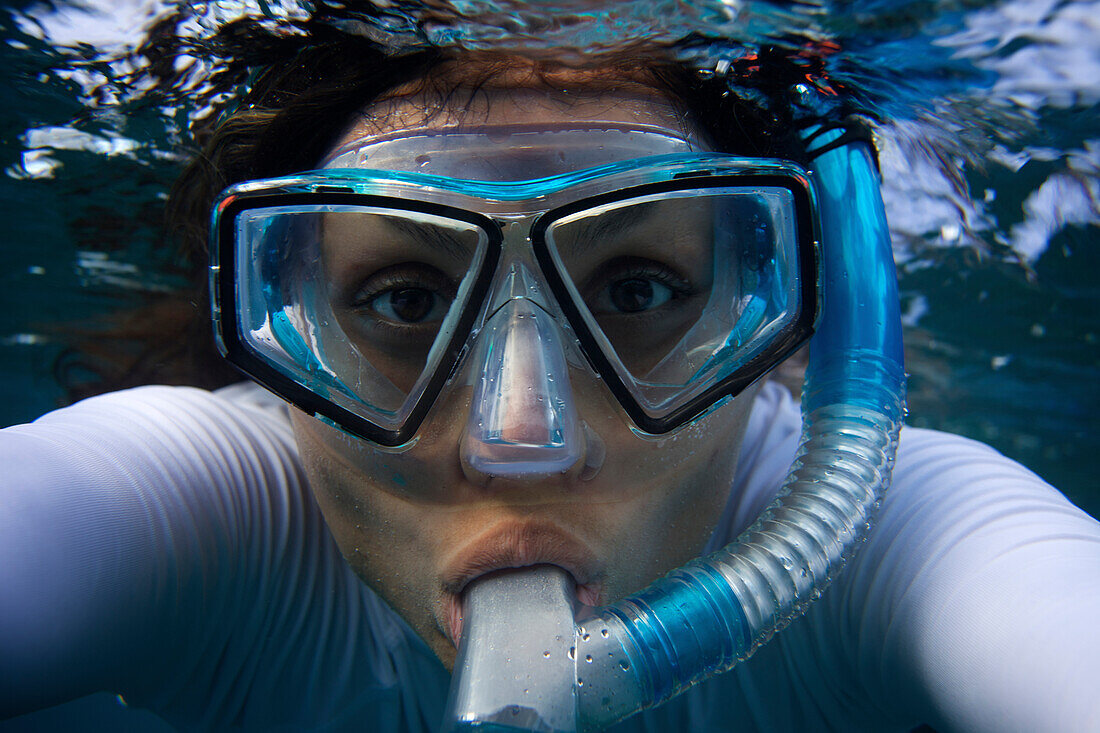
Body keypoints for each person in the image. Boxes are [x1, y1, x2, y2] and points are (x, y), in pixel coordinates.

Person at [2, 15, 1099, 733]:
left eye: (633, 290)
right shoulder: (212, 508)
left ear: (765, 313)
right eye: (406, 301)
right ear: (285, 324)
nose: (520, 442)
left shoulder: (886, 531)